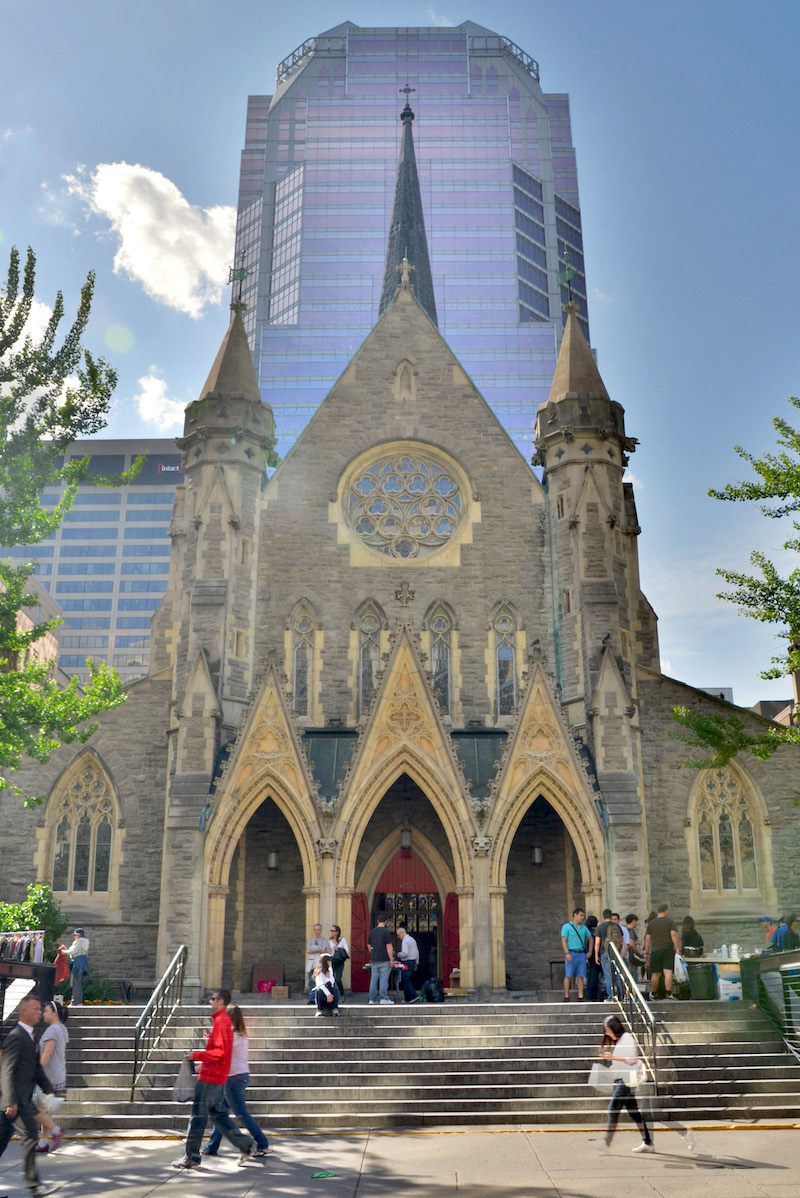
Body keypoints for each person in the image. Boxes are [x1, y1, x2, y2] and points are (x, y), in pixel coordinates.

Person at [172, 989, 257, 1171]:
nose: (210, 1001)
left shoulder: (221, 1021)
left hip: (211, 1077)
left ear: (221, 1001)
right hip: (218, 1077)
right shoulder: (224, 1021)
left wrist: (196, 1055)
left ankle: (191, 1156)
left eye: (213, 999)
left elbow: (220, 1052)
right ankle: (245, 1144)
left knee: (197, 1117)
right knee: (219, 1116)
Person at [0, 993, 55, 1197]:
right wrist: (11, 1101)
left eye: (40, 1009)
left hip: (17, 1102)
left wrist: (49, 1089)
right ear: (24, 1012)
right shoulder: (16, 1036)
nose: (40, 1012)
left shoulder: (31, 1036)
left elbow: (35, 1069)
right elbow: (6, 1070)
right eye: (36, 1009)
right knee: (31, 1136)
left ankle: (34, 1186)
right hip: (15, 1103)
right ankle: (34, 1186)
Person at [203, 1005, 269, 1158]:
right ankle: (211, 1147)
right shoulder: (240, 1033)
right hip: (240, 1076)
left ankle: (262, 1143)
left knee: (241, 1114)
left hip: (233, 1079)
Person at [599, 1013, 654, 1153]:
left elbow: (631, 1060)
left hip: (626, 1080)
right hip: (623, 1080)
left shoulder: (627, 1039)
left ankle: (606, 1142)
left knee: (613, 1109)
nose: (608, 1033)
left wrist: (614, 1057)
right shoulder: (621, 1040)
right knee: (634, 1112)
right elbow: (618, 1065)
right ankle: (648, 1143)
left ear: (615, 1028)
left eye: (609, 1030)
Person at [34, 1000, 68, 1154]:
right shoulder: (61, 1029)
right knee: (46, 1108)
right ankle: (43, 1141)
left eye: (46, 1011)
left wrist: (37, 1071)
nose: (43, 1015)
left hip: (48, 1075)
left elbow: (47, 1052)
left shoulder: (52, 1030)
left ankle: (55, 1131)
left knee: (35, 1106)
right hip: (56, 1073)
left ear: (55, 1013)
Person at [643, 903, 680, 1000]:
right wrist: (677, 948)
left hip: (655, 950)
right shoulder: (670, 921)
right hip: (668, 949)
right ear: (666, 911)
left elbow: (647, 939)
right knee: (668, 972)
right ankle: (668, 994)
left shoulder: (652, 923)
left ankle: (654, 993)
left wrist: (646, 952)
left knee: (655, 973)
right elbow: (673, 935)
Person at [560, 907, 591, 1001]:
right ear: (575, 915)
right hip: (571, 953)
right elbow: (563, 940)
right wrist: (566, 953)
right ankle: (566, 996)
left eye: (583, 916)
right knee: (568, 975)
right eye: (581, 915)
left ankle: (580, 996)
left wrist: (590, 951)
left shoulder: (584, 928)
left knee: (580, 976)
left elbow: (590, 938)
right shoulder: (566, 927)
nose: (582, 918)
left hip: (581, 954)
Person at [595, 909, 622, 1000]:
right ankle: (620, 994)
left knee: (608, 974)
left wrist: (596, 955)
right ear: (611, 917)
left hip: (605, 952)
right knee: (617, 973)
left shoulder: (600, 927)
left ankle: (611, 996)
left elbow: (597, 943)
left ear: (603, 917)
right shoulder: (617, 926)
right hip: (616, 952)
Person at [367, 914, 394, 1005]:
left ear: (377, 921)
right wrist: (391, 959)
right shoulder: (386, 932)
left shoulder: (372, 932)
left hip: (374, 959)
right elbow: (389, 946)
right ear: (385, 922)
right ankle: (383, 998)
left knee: (374, 979)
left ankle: (372, 999)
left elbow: (369, 945)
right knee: (383, 979)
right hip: (384, 959)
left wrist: (373, 953)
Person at [64, 928, 89, 1006]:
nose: (74, 936)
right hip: (82, 962)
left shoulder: (80, 941)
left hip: (78, 962)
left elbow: (73, 952)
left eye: (76, 935)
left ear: (79, 935)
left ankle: (75, 1002)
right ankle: (78, 1002)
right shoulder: (81, 942)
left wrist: (63, 952)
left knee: (76, 983)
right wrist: (66, 950)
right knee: (78, 983)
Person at [396, 923, 420, 1002]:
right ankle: (407, 999)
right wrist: (416, 963)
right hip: (412, 961)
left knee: (406, 980)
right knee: (406, 980)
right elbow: (416, 952)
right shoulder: (412, 939)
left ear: (402, 933)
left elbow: (405, 953)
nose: (398, 937)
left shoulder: (405, 941)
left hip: (407, 962)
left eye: (399, 935)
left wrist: (398, 954)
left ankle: (414, 995)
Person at [305, 924, 326, 1004]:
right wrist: (318, 949)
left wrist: (312, 949)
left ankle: (320, 998)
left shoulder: (324, 940)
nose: (317, 931)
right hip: (311, 963)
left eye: (318, 930)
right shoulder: (310, 941)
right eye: (315, 930)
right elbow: (307, 950)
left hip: (319, 963)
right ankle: (312, 998)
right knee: (311, 982)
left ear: (320, 931)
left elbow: (323, 949)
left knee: (320, 982)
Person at [328, 925, 350, 1001]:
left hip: (340, 961)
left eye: (333, 931)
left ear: (337, 932)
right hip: (332, 961)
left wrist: (338, 949)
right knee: (331, 978)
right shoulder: (329, 941)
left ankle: (342, 994)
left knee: (338, 979)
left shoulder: (342, 940)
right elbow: (329, 952)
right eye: (331, 930)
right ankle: (333, 995)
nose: (331, 932)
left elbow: (346, 950)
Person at [585, 916, 602, 1001]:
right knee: (595, 976)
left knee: (590, 976)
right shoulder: (596, 933)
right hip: (596, 956)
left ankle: (590, 995)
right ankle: (596, 995)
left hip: (587, 956)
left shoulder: (585, 932)